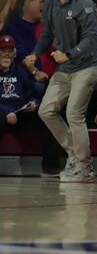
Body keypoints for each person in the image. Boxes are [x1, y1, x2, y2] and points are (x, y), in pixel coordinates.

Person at [24, 0, 97, 182]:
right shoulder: (49, 3)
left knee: (74, 114)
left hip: (87, 65)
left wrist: (69, 54)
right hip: (65, 67)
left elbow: (91, 37)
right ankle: (75, 155)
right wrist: (35, 54)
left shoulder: (84, 3)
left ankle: (85, 166)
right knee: (46, 110)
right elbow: (47, 34)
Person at [0, 35, 58, 177]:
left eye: (10, 51)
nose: (7, 55)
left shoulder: (19, 70)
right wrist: (6, 113)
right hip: (2, 114)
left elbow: (29, 91)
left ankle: (50, 167)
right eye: (3, 51)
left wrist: (33, 103)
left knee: (47, 118)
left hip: (19, 113)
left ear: (14, 54)